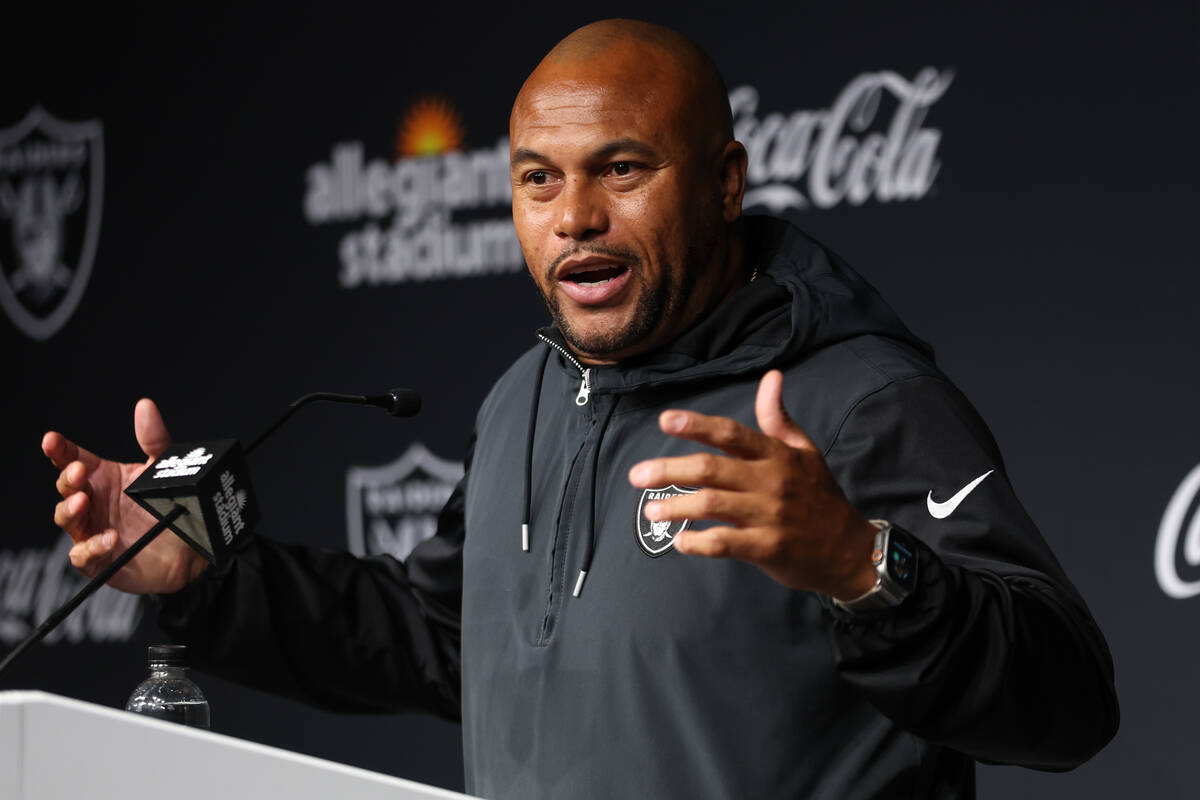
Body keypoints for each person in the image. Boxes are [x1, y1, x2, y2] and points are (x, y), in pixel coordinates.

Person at [41, 19, 1118, 799]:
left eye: (623, 168)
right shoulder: (528, 397)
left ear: (726, 180)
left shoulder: (857, 396)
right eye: (538, 180)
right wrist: (209, 573)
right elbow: (440, 636)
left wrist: (863, 563)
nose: (577, 217)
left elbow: (1069, 696)